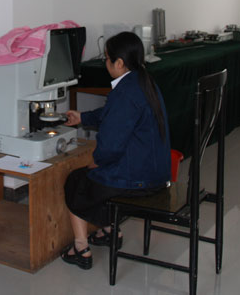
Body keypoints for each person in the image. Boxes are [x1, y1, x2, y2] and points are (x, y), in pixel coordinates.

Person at [61, 31, 171, 270]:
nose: (105, 63)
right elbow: (115, 115)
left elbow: (110, 146)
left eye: (107, 58)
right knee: (96, 178)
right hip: (158, 173)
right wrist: (83, 117)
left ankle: (80, 248)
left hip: (139, 180)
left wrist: (97, 161)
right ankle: (110, 231)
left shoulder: (124, 93)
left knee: (77, 181)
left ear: (119, 63)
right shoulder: (144, 81)